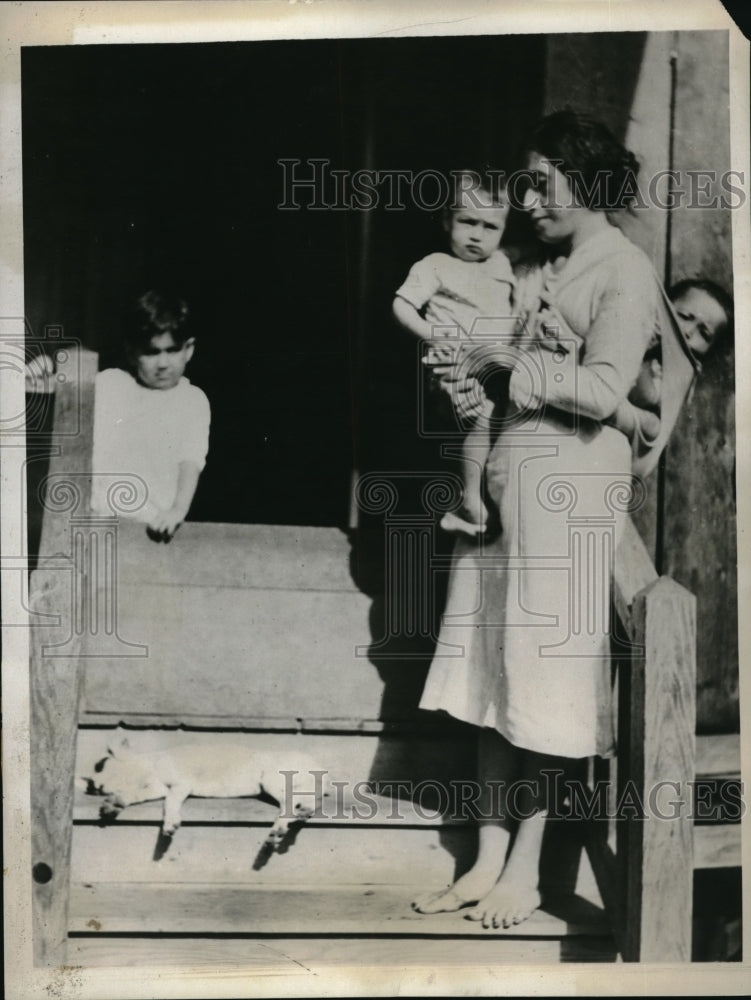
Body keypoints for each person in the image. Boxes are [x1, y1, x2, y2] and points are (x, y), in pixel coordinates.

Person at [413, 110, 691, 929]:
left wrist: (509, 362)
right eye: (523, 182)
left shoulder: (624, 270)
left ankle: (528, 868)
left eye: (542, 181)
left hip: (572, 480)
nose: (526, 198)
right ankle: (485, 854)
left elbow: (608, 392)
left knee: (542, 674)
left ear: (589, 179)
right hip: (512, 470)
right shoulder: (537, 262)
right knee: (494, 660)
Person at [393, 176, 518, 536]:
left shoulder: (502, 263)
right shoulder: (435, 265)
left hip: (492, 363)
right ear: (448, 220)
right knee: (484, 416)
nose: (477, 235)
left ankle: (477, 493)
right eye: (467, 222)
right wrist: (433, 334)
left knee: (501, 418)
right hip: (453, 362)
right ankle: (468, 497)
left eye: (490, 226)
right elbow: (401, 305)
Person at [91, 290, 210, 541]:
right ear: (132, 351)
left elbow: (191, 461)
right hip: (96, 522)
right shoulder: (109, 384)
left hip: (151, 528)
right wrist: (42, 370)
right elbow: (65, 398)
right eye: (152, 352)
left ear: (188, 349)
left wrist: (178, 510)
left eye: (172, 350)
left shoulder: (192, 400)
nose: (163, 363)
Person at [628, 278, 733, 435]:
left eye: (704, 333)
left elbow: (648, 401)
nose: (688, 332)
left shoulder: (675, 379)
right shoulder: (632, 333)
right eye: (683, 316)